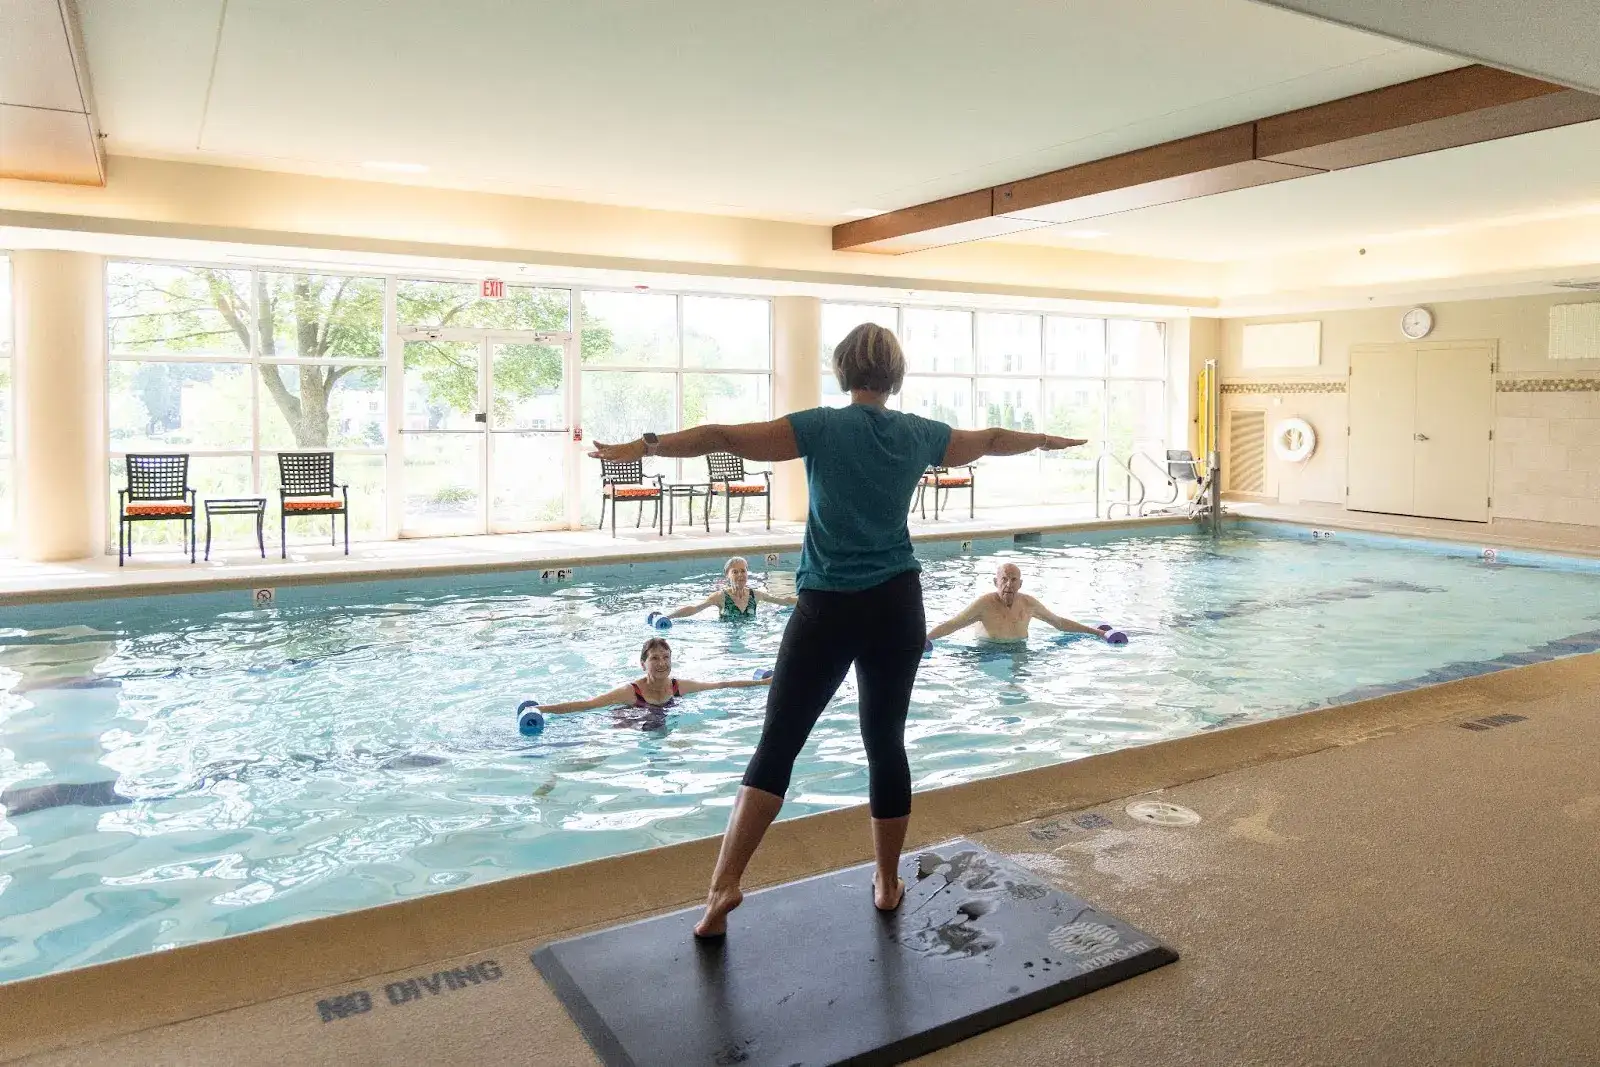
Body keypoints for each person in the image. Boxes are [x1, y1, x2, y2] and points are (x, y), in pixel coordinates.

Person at [591, 321, 1085, 938]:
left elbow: (722, 435)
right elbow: (989, 438)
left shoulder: (820, 427)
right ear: (895, 375)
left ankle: (723, 888)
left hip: (825, 606)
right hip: (897, 604)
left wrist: (644, 446)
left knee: (777, 745)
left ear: (843, 371)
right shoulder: (920, 434)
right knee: (887, 743)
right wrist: (1044, 441)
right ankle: (884, 882)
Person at [533, 637, 771, 716]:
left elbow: (722, 685)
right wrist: (540, 710)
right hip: (628, 725)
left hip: (662, 720)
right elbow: (588, 705)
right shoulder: (629, 691)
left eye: (666, 657)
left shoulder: (678, 686)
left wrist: (762, 683)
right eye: (655, 658)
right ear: (643, 664)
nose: (662, 663)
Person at [927, 562, 1110, 644]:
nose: (1008, 584)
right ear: (995, 582)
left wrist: (1097, 633)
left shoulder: (1028, 603)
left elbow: (1059, 623)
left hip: (1020, 652)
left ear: (1020, 584)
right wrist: (923, 640)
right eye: (1004, 579)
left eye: (1013, 580)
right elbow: (953, 624)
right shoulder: (984, 604)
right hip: (988, 654)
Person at [663, 557, 797, 621]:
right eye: (735, 572)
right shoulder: (720, 597)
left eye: (743, 571)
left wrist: (812, 599)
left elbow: (784, 601)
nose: (740, 575)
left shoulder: (756, 595)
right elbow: (695, 609)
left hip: (751, 638)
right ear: (727, 576)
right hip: (727, 641)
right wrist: (667, 617)